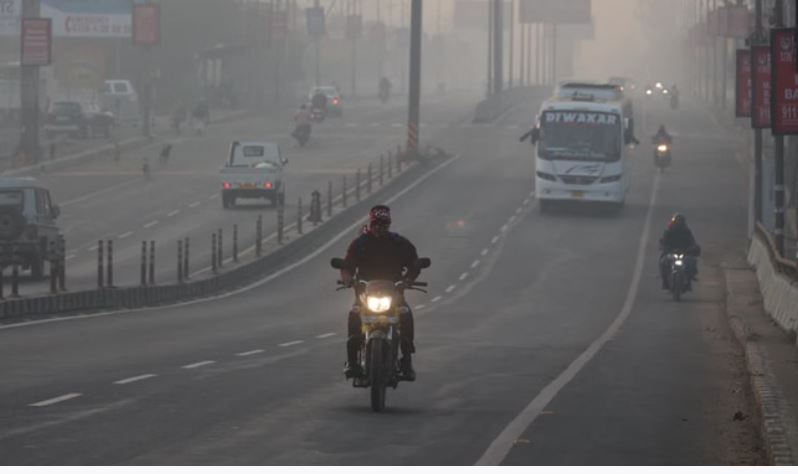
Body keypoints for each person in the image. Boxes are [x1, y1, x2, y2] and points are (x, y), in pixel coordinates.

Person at [340, 205, 422, 381]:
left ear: (389, 224)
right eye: (376, 223)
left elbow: (414, 264)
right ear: (370, 223)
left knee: (406, 314)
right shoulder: (360, 243)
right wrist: (348, 279)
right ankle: (352, 362)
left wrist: (408, 279)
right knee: (354, 315)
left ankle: (406, 361)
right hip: (364, 295)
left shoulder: (400, 243)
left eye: (383, 224)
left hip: (394, 293)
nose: (379, 227)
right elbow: (347, 266)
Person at [659, 213, 700, 290]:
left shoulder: (687, 232)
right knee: (664, 261)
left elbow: (692, 242)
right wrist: (664, 248)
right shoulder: (669, 231)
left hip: (684, 253)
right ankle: (665, 280)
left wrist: (693, 248)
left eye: (680, 222)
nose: (679, 224)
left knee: (691, 262)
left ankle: (689, 279)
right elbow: (663, 241)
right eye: (678, 222)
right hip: (671, 252)